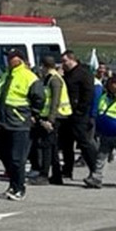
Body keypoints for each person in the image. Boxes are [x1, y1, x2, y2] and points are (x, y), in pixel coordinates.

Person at [0, 49, 45, 201]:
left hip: (19, 123)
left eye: (11, 58)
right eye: (8, 58)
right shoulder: (6, 75)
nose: (9, 60)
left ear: (20, 60)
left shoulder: (29, 77)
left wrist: (34, 115)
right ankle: (12, 184)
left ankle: (19, 188)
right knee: (4, 155)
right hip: (4, 122)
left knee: (18, 158)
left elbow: (39, 98)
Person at [30, 56, 70, 186]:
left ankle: (44, 175)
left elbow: (55, 101)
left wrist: (50, 121)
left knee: (46, 146)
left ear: (44, 66)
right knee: (52, 147)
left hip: (56, 117)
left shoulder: (54, 80)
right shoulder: (48, 79)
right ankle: (56, 175)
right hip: (49, 116)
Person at [58, 51, 98, 180]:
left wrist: (80, 110)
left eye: (65, 61)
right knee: (66, 144)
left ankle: (95, 170)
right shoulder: (66, 74)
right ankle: (67, 170)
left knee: (84, 143)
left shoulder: (83, 73)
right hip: (66, 114)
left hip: (79, 116)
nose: (63, 64)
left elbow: (88, 93)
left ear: (72, 60)